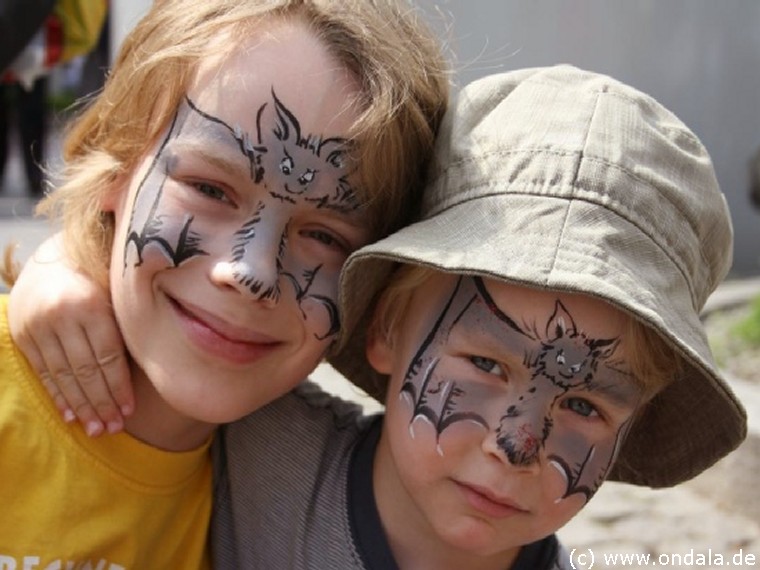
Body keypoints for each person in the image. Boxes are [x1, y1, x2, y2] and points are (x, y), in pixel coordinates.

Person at [9, 65, 746, 568]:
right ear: (387, 327)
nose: (515, 445)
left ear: (634, 424)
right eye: (486, 364)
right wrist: (64, 269)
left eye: (584, 402)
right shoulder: (261, 438)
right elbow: (178, 314)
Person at [0, 0, 448, 565]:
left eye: (326, 237)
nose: (250, 272)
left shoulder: (293, 482)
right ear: (117, 165)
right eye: (210, 190)